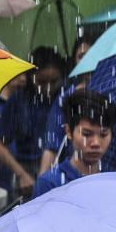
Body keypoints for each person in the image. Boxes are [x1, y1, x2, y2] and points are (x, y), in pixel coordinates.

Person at [0, 47, 67, 184]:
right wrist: (21, 174)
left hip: (59, 169)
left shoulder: (65, 98)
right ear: (30, 77)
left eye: (54, 81)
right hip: (25, 169)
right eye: (41, 82)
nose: (48, 88)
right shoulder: (19, 100)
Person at [32, 90, 115, 198]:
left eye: (103, 135)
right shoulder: (50, 184)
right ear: (69, 132)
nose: (95, 143)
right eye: (86, 134)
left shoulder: (113, 181)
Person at [37, 36, 95, 174]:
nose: (87, 60)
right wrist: (42, 182)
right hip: (72, 173)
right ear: (74, 60)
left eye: (92, 54)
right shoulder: (66, 96)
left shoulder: (111, 90)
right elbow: (52, 144)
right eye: (81, 56)